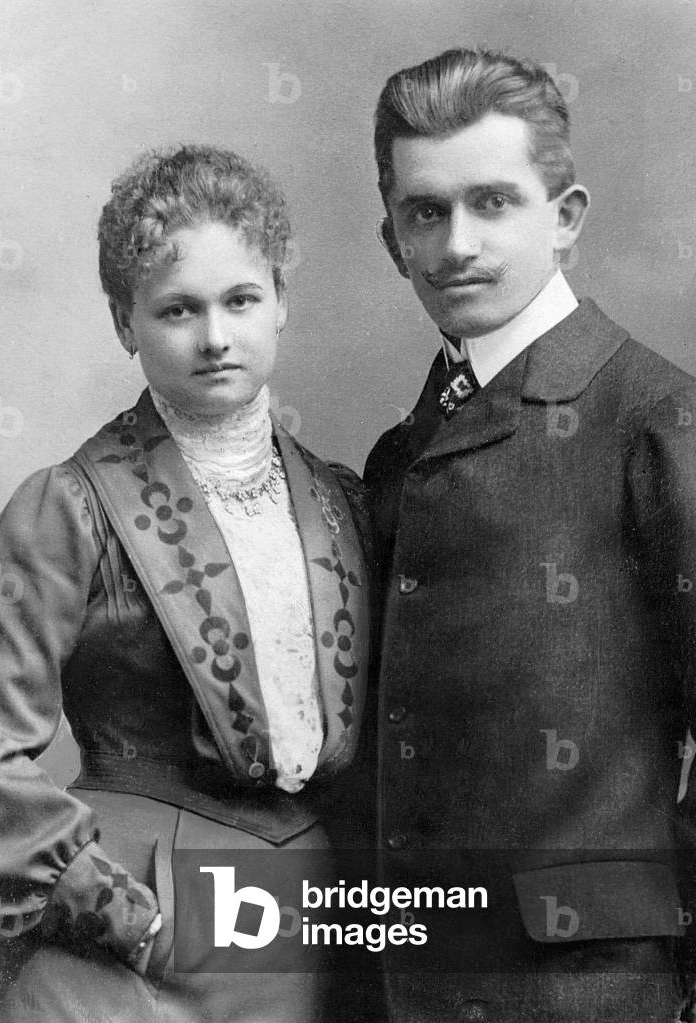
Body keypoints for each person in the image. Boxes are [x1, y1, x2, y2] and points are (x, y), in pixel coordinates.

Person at [0, 145, 371, 1022]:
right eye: (176, 309)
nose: (215, 337)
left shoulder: (344, 501)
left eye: (240, 300)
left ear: (281, 301)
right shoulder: (64, 508)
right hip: (125, 942)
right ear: (125, 322)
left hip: (301, 926)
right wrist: (121, 910)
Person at [365, 47, 696, 1022]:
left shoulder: (655, 421)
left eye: (493, 202)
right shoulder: (399, 454)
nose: (457, 242)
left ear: (563, 218)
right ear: (391, 239)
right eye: (424, 211)